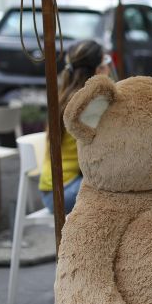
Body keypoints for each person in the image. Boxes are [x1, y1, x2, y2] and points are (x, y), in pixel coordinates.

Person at [38, 40, 113, 214]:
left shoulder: (66, 96)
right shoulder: (90, 104)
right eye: (106, 62)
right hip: (62, 194)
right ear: (99, 70)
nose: (109, 68)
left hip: (53, 190)